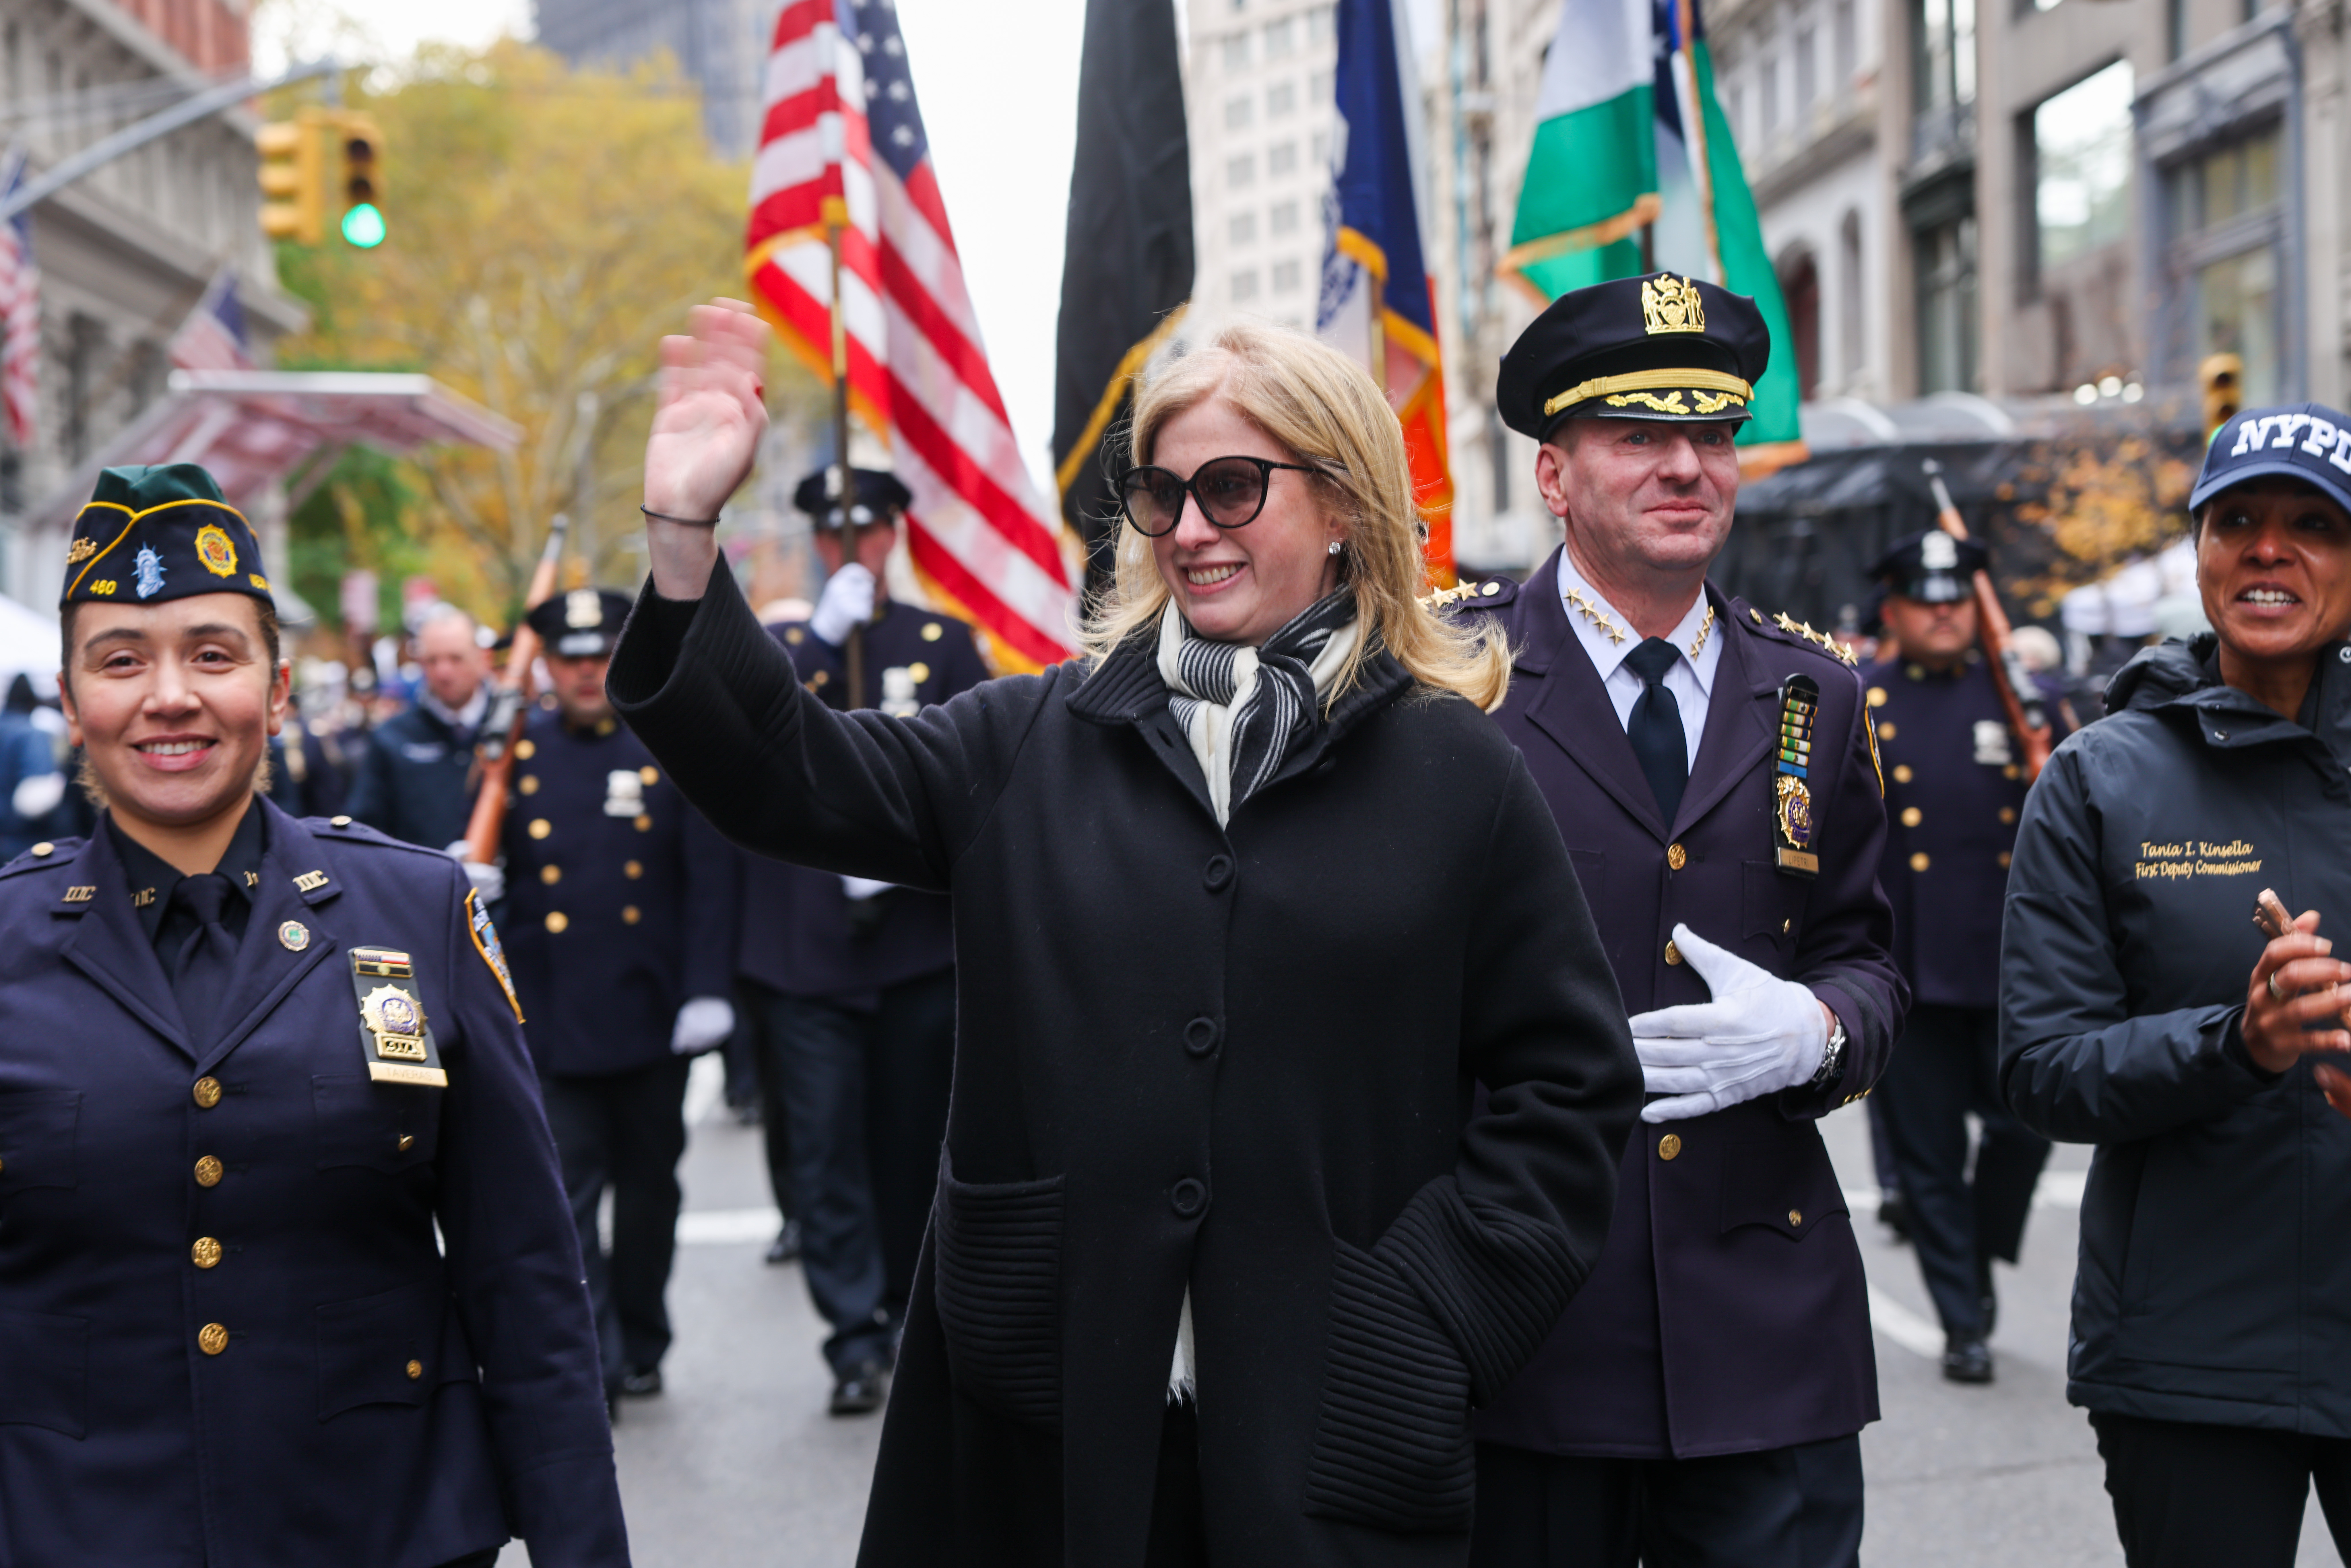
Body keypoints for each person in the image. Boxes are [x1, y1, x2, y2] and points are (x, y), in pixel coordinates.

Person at [610, 300, 1641, 1565]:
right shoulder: (1030, 742)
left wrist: (1427, 1318)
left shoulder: (1457, 775)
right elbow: (787, 772)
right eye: (1162, 495)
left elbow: (1571, 1092)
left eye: (1231, 488)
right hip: (1042, 1429)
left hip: (1332, 1441)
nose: (1190, 529)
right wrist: (682, 534)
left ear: (1344, 507)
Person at [0, 462, 625, 1566]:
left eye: (212, 652)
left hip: (383, 1525)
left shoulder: (417, 911)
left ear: (278, 691)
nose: (169, 696)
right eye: (121, 660)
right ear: (71, 701)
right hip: (78, 1528)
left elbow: (523, 1270)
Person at [1457, 273, 1907, 1568]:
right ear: (1553, 473)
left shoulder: (1813, 693)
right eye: (1638, 436)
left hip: (1764, 1329)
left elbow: (1868, 956)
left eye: (1709, 435)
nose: (1684, 467)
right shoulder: (1452, 686)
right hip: (1532, 1320)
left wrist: (1816, 1030)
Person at [2001, 401, 2351, 1567]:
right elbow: (2039, 1068)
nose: (2268, 547)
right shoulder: (2098, 781)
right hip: (2190, 1355)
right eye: (2236, 519)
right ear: (2197, 550)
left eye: (2312, 524)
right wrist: (2236, 1043)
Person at [732, 463, 990, 1414]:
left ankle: (909, 1308)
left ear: (892, 537)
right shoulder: (787, 646)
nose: (852, 551)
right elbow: (745, 735)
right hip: (807, 946)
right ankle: (850, 1334)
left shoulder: (943, 643)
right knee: (825, 1147)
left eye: (868, 534)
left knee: (913, 1139)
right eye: (835, 537)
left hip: (915, 940)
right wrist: (820, 640)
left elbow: (985, 774)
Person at [496, 587, 738, 1409]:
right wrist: (472, 879)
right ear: (549, 669)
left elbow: (708, 878)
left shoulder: (663, 746)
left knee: (649, 1197)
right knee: (565, 1202)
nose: (586, 673)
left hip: (649, 1014)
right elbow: (496, 885)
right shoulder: (512, 759)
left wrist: (707, 990)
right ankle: (592, 1353)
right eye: (570, 660)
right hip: (553, 1021)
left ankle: (642, 1335)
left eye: (600, 658)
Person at [1861, 529, 2065, 1385]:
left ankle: (1979, 1250)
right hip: (1911, 967)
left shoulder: (2022, 697)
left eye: (1955, 601)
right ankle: (1962, 1322)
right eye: (1924, 603)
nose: (1943, 616)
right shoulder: (1859, 702)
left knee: (2029, 1126)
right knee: (1930, 1159)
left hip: (2011, 966)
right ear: (1894, 611)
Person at [348, 603, 490, 853]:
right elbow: (364, 831)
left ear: (482, 658)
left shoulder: (517, 728)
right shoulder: (392, 738)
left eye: (456, 658)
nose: (444, 672)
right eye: (432, 660)